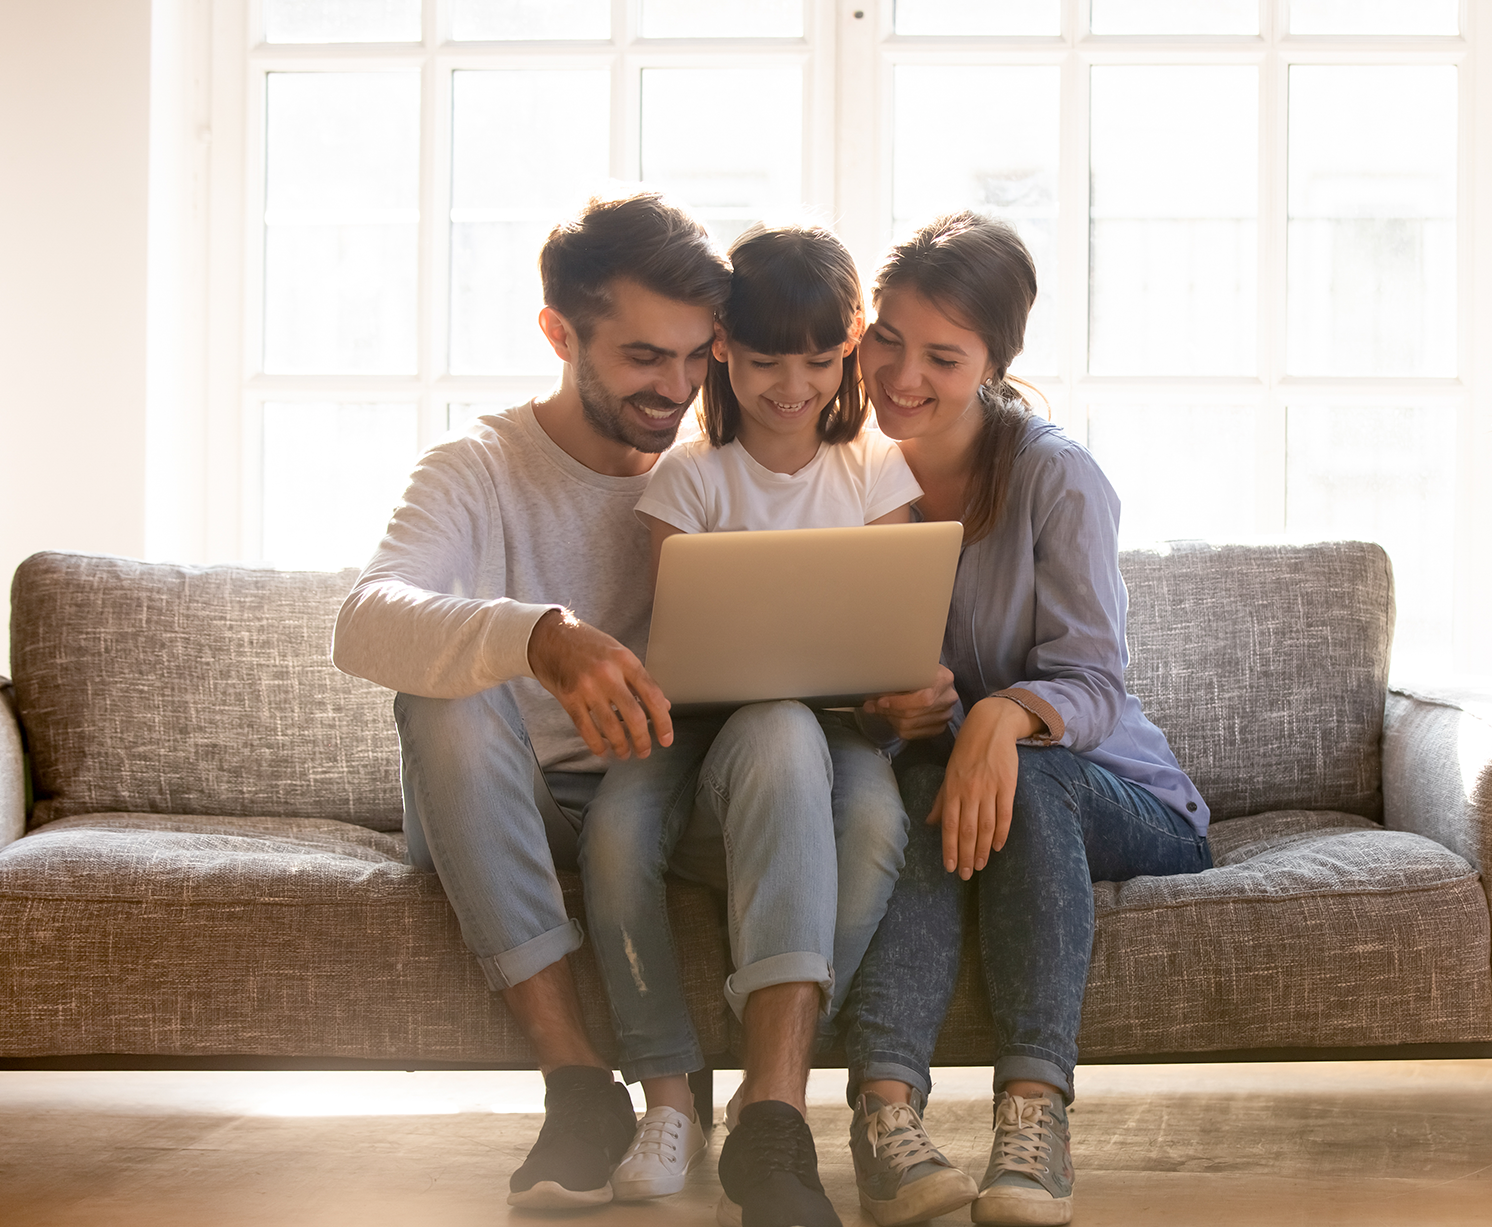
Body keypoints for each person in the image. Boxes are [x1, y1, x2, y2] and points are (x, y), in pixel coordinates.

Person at [331, 193, 739, 1212]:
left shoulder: (721, 473)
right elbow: (366, 620)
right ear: (560, 334)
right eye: (646, 356)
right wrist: (537, 638)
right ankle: (576, 1086)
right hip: (505, 812)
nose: (677, 387)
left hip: (667, 808)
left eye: (698, 358)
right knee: (441, 698)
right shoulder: (477, 466)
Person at [836, 212, 1214, 1227]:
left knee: (1022, 773)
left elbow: (1093, 680)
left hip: (1119, 795)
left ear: (994, 362)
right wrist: (885, 709)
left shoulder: (1055, 477)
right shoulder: (847, 477)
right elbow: (830, 668)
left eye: (942, 357)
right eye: (887, 340)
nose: (902, 375)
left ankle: (1032, 1119)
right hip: (946, 784)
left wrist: (1000, 716)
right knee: (911, 786)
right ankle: (885, 1121)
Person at [578, 224, 920, 1220]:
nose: (792, 386)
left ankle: (771, 1081)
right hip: (696, 725)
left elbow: (893, 632)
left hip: (842, 725)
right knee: (613, 837)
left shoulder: (872, 470)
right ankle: (668, 1094)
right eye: (767, 361)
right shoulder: (688, 479)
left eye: (818, 360)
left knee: (872, 830)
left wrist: (902, 684)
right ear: (721, 346)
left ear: (849, 343)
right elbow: (673, 644)